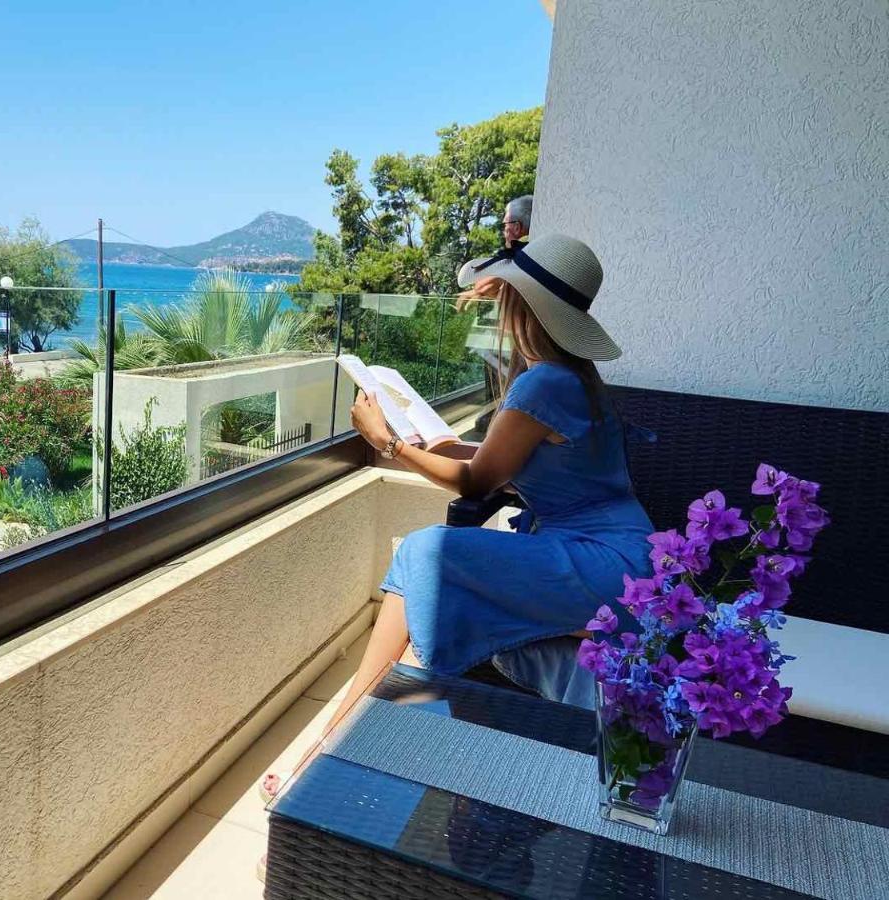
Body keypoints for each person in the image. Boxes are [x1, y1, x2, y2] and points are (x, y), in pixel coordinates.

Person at [256, 235, 653, 876]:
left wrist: (386, 443)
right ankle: (339, 735)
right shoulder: (573, 377)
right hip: (616, 549)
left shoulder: (544, 383)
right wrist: (431, 443)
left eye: (503, 293)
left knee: (425, 553)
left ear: (523, 303)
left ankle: (338, 741)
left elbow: (477, 483)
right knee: (418, 568)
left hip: (606, 565)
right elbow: (495, 461)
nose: (491, 305)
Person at [456, 195, 532, 429]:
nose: (504, 231)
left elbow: (484, 284)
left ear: (516, 227)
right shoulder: (535, 254)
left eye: (505, 225)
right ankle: (495, 417)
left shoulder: (525, 255)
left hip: (524, 342)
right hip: (525, 343)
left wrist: (474, 293)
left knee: (499, 367)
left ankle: (497, 421)